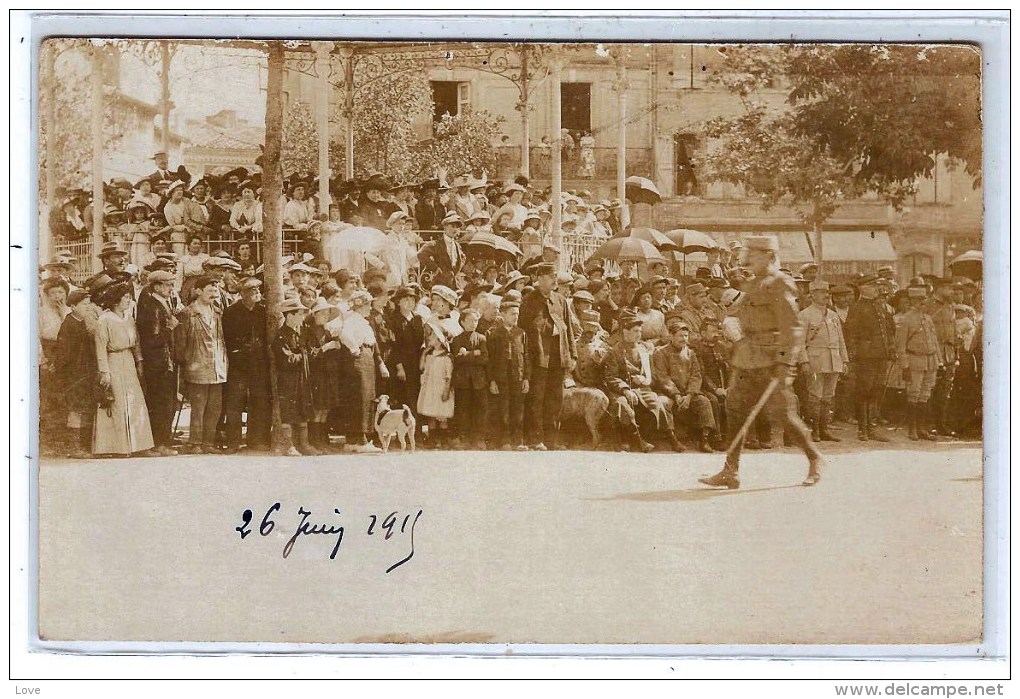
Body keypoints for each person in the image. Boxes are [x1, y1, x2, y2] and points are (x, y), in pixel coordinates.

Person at [698, 235, 825, 490]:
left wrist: (784, 363)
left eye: (755, 254)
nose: (749, 258)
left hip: (770, 359)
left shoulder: (779, 283)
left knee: (781, 414)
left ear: (769, 256)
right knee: (735, 411)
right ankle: (730, 471)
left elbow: (792, 327)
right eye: (749, 253)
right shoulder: (753, 283)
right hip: (747, 357)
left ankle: (814, 458)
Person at [92, 281, 155, 456]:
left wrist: (139, 361)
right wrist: (104, 372)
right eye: (125, 297)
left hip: (128, 360)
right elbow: (100, 348)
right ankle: (116, 447)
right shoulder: (104, 320)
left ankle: (138, 445)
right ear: (115, 300)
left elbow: (136, 343)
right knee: (117, 402)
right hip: (112, 360)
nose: (129, 301)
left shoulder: (129, 317)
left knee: (134, 401)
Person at [519, 262, 577, 451]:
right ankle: (535, 439)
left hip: (558, 357)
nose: (555, 280)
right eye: (551, 277)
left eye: (555, 276)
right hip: (538, 358)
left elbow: (568, 330)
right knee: (536, 399)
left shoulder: (560, 300)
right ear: (539, 279)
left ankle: (552, 440)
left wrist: (572, 356)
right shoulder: (528, 301)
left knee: (555, 400)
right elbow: (525, 332)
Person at [602, 311, 675, 453]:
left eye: (640, 331)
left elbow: (652, 373)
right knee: (621, 404)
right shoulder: (615, 351)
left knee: (655, 402)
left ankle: (662, 437)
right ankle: (631, 439)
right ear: (625, 332)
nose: (638, 334)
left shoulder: (644, 348)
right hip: (621, 390)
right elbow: (611, 377)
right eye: (635, 331)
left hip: (642, 388)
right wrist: (625, 389)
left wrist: (644, 379)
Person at [174, 275, 228, 454]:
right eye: (210, 291)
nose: (214, 294)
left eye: (216, 291)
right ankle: (195, 442)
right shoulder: (187, 314)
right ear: (198, 291)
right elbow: (180, 343)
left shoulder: (218, 312)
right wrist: (185, 363)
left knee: (215, 408)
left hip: (217, 366)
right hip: (196, 366)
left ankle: (208, 443)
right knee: (198, 407)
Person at [652, 314, 717, 452]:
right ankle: (672, 439)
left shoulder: (691, 353)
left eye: (686, 336)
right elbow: (663, 377)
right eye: (681, 336)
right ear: (671, 336)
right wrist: (676, 395)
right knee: (663, 403)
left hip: (688, 393)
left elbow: (696, 375)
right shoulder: (660, 353)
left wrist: (689, 395)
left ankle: (704, 439)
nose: (684, 339)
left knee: (704, 402)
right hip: (669, 393)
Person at [221, 277, 272, 453]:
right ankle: (233, 442)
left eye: (258, 290)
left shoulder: (263, 311)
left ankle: (256, 440)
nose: (257, 293)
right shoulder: (231, 312)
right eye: (252, 290)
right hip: (239, 364)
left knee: (259, 402)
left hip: (259, 364)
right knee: (235, 403)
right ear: (242, 294)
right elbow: (227, 338)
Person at [843, 275, 896, 442]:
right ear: (863, 288)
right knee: (864, 391)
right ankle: (863, 429)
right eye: (872, 285)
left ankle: (872, 427)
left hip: (881, 354)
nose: (876, 289)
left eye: (876, 285)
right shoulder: (857, 307)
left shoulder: (880, 307)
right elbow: (851, 334)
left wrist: (891, 348)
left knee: (877, 390)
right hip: (865, 356)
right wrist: (853, 355)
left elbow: (889, 330)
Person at [135, 270, 180, 456]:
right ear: (157, 286)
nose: (171, 289)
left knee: (166, 402)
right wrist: (170, 328)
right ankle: (159, 443)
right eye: (168, 285)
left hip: (163, 361)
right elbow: (153, 339)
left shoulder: (161, 303)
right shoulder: (153, 306)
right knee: (161, 402)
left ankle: (163, 441)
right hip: (158, 362)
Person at [798, 281, 849, 442]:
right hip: (815, 360)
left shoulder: (833, 315)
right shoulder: (805, 315)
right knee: (815, 396)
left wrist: (844, 360)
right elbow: (799, 341)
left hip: (833, 360)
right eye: (821, 292)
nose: (826, 295)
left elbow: (841, 340)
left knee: (828, 396)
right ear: (812, 295)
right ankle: (814, 431)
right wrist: (804, 361)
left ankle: (824, 429)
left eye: (827, 292)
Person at [55, 289, 99, 458]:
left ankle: (84, 445)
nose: (88, 308)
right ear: (73, 306)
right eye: (84, 304)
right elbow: (64, 354)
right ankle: (74, 447)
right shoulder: (69, 324)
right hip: (75, 374)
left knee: (85, 408)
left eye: (89, 304)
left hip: (86, 371)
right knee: (76, 409)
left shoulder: (84, 322)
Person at [339, 290, 385, 452]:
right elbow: (344, 335)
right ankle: (357, 439)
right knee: (359, 398)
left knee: (366, 398)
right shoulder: (352, 320)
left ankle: (359, 437)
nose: (369, 307)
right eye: (367, 304)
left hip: (367, 361)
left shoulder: (363, 322)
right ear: (359, 306)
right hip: (357, 362)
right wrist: (354, 348)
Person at [273, 296, 319, 456]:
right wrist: (303, 354)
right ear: (290, 315)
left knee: (302, 408)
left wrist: (312, 352)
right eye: (299, 314)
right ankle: (289, 445)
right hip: (288, 380)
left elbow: (309, 352)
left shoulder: (302, 333)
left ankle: (304, 445)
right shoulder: (281, 336)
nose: (302, 317)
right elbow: (287, 359)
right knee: (288, 412)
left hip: (302, 378)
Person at [896, 286, 942, 441]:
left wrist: (939, 360)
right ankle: (912, 429)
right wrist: (904, 366)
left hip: (930, 360)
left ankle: (922, 428)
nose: (922, 302)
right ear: (911, 301)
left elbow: (934, 341)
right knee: (913, 394)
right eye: (918, 300)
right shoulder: (906, 319)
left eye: (923, 299)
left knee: (925, 394)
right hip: (914, 360)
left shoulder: (928, 318)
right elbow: (900, 345)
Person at [486, 299, 529, 451]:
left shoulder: (521, 333)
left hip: (517, 376)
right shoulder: (494, 334)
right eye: (512, 314)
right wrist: (491, 380)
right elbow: (490, 360)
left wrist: (526, 378)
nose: (515, 317)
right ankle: (505, 441)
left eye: (517, 314)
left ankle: (518, 441)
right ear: (503, 315)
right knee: (503, 409)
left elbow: (526, 357)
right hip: (501, 378)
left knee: (518, 410)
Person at [302, 297, 343, 452]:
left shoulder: (327, 331)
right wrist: (326, 347)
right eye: (322, 313)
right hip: (315, 375)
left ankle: (321, 438)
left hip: (328, 374)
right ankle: (314, 439)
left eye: (327, 314)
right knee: (317, 408)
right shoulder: (307, 331)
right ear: (315, 314)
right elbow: (309, 355)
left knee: (326, 407)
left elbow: (337, 351)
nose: (325, 316)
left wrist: (336, 344)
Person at [450, 308, 489, 450]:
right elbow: (457, 359)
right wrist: (475, 353)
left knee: (480, 409)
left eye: (476, 320)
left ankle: (479, 439)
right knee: (463, 410)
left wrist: (467, 354)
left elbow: (485, 359)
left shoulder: (482, 338)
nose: (474, 323)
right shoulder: (457, 339)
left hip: (479, 380)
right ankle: (464, 438)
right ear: (462, 322)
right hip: (463, 381)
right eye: (471, 320)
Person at [387, 286, 425, 416]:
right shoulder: (393, 320)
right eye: (406, 299)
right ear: (398, 302)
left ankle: (416, 433)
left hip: (416, 363)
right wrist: (399, 367)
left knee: (416, 396)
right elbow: (393, 346)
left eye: (412, 299)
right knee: (404, 398)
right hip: (402, 364)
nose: (410, 302)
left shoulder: (418, 319)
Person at [418, 319, 455, 448]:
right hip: (430, 388)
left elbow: (448, 375)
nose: (429, 337)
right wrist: (424, 352)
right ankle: (433, 439)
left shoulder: (446, 357)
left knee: (442, 414)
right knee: (431, 414)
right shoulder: (429, 354)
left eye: (433, 335)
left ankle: (443, 439)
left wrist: (446, 390)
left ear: (440, 340)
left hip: (441, 388)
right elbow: (422, 368)